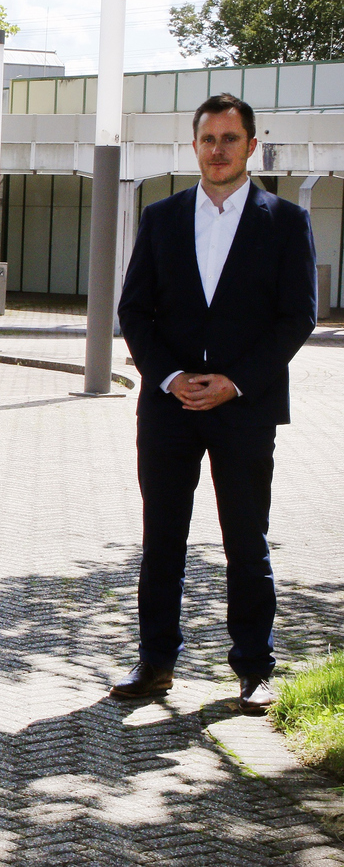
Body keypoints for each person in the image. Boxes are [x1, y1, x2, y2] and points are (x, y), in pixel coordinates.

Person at [112, 93, 316, 714]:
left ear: (251, 146)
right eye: (209, 139)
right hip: (168, 407)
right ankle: (155, 664)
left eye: (231, 139)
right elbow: (134, 311)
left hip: (245, 407)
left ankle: (255, 668)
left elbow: (296, 318)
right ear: (194, 145)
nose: (219, 150)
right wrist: (169, 376)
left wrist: (235, 381)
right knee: (162, 538)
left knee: (245, 542)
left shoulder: (285, 222)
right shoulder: (161, 217)